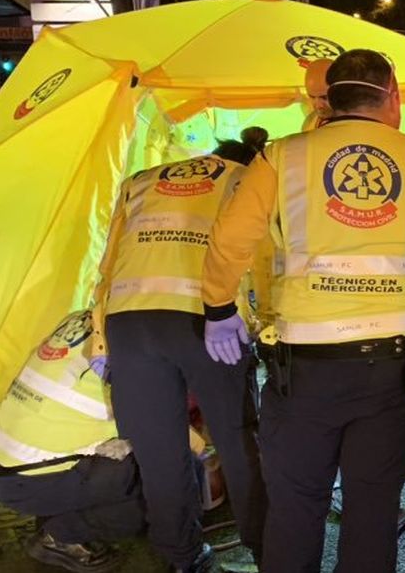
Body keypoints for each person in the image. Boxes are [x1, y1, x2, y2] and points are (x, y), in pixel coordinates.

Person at [202, 49, 405, 573]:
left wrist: (218, 309)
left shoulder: (281, 157)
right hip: (393, 367)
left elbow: (230, 240)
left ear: (329, 99)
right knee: (372, 511)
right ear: (393, 96)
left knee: (295, 507)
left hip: (303, 369)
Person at [94, 128, 269, 573]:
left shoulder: (142, 181)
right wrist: (262, 324)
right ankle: (267, 549)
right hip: (209, 322)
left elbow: (107, 266)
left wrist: (100, 340)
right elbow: (261, 255)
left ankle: (182, 557)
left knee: (159, 451)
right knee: (238, 440)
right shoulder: (248, 179)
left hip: (129, 322)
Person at [0, 310, 143, 573]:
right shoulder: (137, 342)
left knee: (117, 453)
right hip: (24, 478)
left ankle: (55, 509)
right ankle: (60, 536)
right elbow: (159, 427)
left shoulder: (83, 317)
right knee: (153, 482)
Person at [301, 58, 333, 131]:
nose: (318, 105)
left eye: (324, 97)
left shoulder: (357, 124)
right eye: (312, 97)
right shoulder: (310, 122)